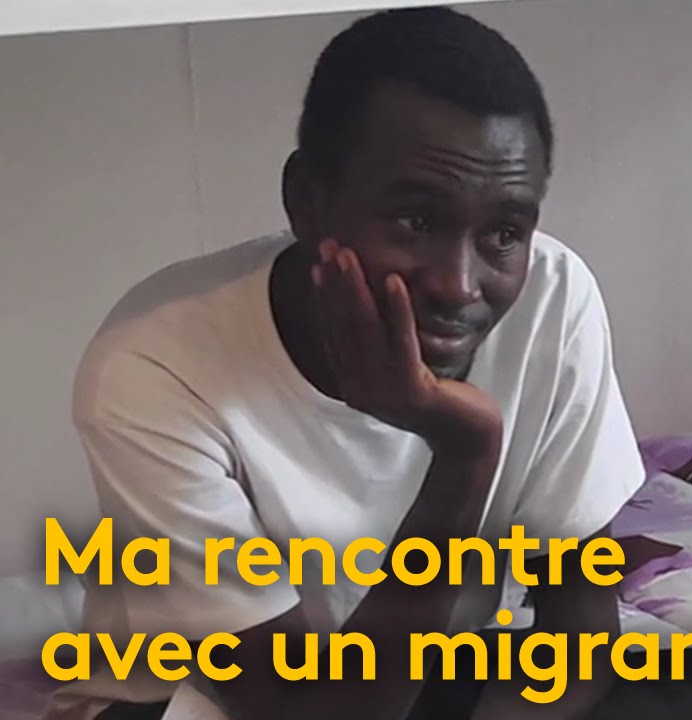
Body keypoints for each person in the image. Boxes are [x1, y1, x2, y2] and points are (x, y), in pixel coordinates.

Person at [44, 7, 650, 720]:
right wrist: (463, 455)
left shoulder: (554, 297)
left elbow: (581, 640)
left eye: (504, 233)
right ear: (307, 200)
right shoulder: (154, 366)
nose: (459, 285)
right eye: (416, 221)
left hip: (424, 666)